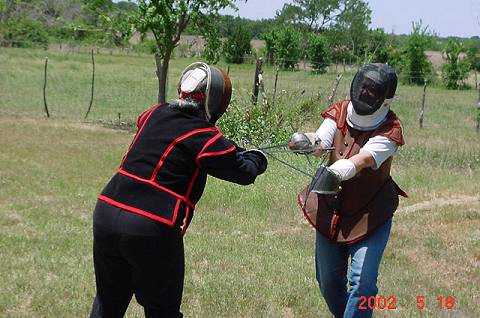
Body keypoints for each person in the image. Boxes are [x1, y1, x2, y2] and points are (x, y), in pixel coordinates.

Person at [89, 62, 268, 318]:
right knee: (162, 311)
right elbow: (244, 172)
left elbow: (210, 146)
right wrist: (258, 158)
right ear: (215, 101)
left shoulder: (154, 113)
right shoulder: (204, 136)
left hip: (106, 212)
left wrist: (236, 150)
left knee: (108, 303)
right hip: (150, 225)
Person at [289, 63, 407, 318]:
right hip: (331, 210)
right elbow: (322, 141)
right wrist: (308, 142)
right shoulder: (341, 111)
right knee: (328, 281)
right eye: (362, 85)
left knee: (362, 284)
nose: (365, 93)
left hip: (370, 214)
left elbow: (363, 159)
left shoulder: (390, 128)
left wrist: (338, 170)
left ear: (385, 98)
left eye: (372, 90)